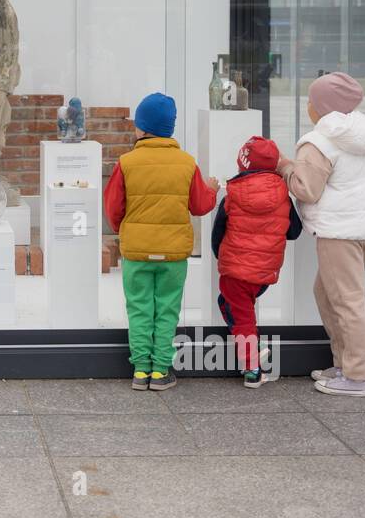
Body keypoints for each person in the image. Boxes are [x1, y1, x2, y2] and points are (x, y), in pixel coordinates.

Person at [278, 73, 365, 397]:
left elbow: (307, 189)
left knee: (348, 300)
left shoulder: (318, 142)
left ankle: (357, 376)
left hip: (338, 232)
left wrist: (286, 169)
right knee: (326, 292)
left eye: (311, 100)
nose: (308, 106)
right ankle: (344, 364)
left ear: (321, 107)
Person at [103, 93, 218, 391]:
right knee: (167, 309)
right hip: (173, 253)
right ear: (170, 128)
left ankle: (140, 370)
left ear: (140, 128)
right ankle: (160, 372)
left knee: (139, 308)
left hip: (137, 252)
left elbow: (113, 207)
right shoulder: (186, 162)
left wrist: (125, 230)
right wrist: (213, 189)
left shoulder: (126, 162)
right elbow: (200, 205)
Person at [211, 136, 302, 387]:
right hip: (264, 272)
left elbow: (218, 231)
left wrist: (222, 256)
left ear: (242, 163)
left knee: (242, 318)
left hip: (234, 270)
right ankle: (252, 346)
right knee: (231, 305)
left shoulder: (233, 192)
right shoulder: (283, 194)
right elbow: (294, 231)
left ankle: (253, 369)